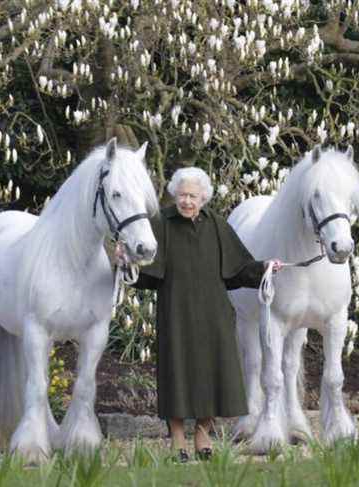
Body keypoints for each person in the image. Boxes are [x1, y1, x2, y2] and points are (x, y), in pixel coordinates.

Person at [122, 167, 282, 462]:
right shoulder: (161, 224)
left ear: (204, 197)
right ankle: (178, 439)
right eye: (182, 195)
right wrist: (127, 264)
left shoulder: (217, 225)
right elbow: (147, 275)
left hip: (214, 315)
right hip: (176, 313)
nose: (187, 201)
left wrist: (265, 267)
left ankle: (203, 434)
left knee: (213, 372)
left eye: (193, 196)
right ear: (174, 195)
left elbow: (238, 269)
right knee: (177, 373)